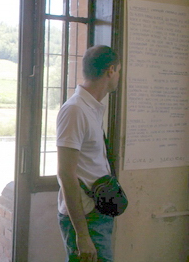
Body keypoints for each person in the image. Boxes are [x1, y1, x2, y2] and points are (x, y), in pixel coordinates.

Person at [56, 45, 121, 262]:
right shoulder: (75, 109)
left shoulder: (91, 107)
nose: (119, 76)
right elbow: (66, 173)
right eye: (119, 71)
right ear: (110, 70)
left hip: (96, 213)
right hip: (86, 218)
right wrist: (82, 235)